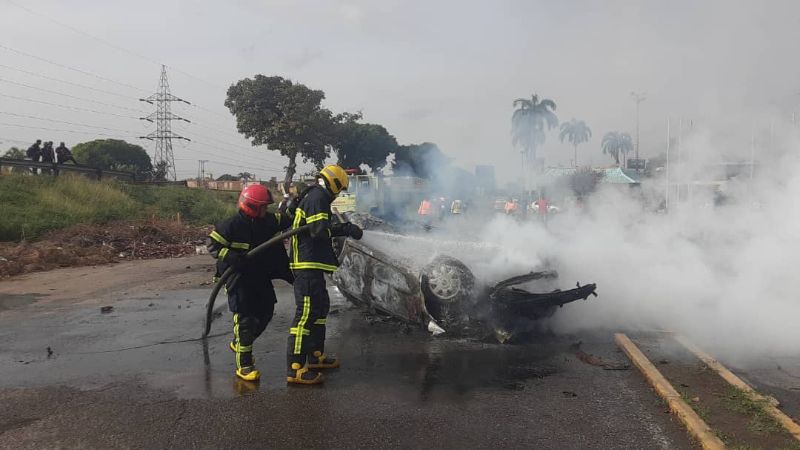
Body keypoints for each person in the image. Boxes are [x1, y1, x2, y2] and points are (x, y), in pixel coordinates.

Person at [285, 164, 362, 385]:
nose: (339, 194)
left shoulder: (315, 195)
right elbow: (319, 231)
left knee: (320, 309)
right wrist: (345, 229)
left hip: (314, 265)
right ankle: (295, 367)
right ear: (335, 183)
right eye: (340, 189)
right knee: (306, 314)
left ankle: (315, 355)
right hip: (307, 264)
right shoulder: (318, 197)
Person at [207, 184, 293, 382]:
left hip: (259, 275)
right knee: (245, 320)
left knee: (267, 311)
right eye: (263, 207)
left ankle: (241, 342)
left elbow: (285, 219)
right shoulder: (231, 225)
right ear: (251, 206)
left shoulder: (267, 221)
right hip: (239, 278)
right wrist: (231, 256)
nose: (266, 210)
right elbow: (212, 245)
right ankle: (245, 365)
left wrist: (295, 204)